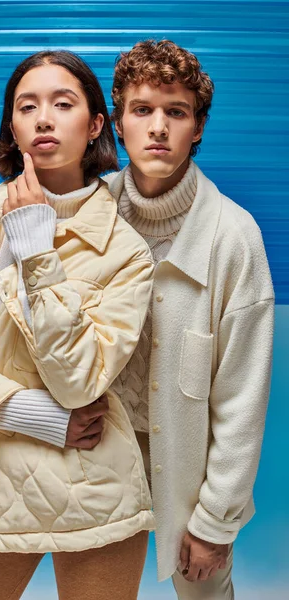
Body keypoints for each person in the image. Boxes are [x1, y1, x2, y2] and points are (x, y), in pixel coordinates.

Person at [0, 50, 157, 600]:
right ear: (11, 127)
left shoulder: (126, 253)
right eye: (27, 105)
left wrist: (37, 247)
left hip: (94, 493)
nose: (44, 118)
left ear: (93, 126)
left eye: (63, 104)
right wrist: (34, 415)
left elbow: (79, 381)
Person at [102, 39, 275, 599]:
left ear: (196, 127)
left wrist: (216, 520)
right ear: (118, 123)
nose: (158, 127)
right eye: (142, 110)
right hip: (99, 455)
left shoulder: (235, 235)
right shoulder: (87, 211)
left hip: (187, 467)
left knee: (203, 589)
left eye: (175, 112)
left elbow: (242, 397)